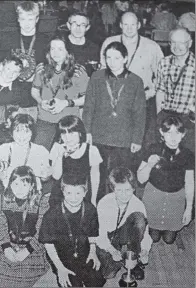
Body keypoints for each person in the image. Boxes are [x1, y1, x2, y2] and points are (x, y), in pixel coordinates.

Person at [83, 41, 146, 198]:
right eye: (108, 57)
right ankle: (96, 207)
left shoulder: (136, 81)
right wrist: (87, 131)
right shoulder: (96, 77)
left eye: (117, 58)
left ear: (125, 58)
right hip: (99, 135)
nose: (112, 62)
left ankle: (120, 208)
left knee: (121, 177)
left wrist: (137, 139)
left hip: (123, 137)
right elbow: (88, 106)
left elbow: (140, 113)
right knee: (98, 175)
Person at [100, 12, 163, 148]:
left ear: (139, 25)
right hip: (115, 102)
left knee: (140, 142)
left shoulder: (152, 46)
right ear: (120, 25)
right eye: (126, 24)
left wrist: (151, 92)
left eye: (133, 25)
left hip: (143, 99)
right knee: (115, 142)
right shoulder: (109, 42)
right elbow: (102, 72)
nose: (129, 28)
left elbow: (161, 76)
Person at [39, 173, 106, 287]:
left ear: (85, 192)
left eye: (78, 193)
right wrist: (60, 268)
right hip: (60, 255)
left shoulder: (90, 209)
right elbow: (48, 245)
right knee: (73, 285)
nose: (74, 198)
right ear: (63, 192)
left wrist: (93, 252)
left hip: (83, 250)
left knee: (96, 281)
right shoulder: (52, 214)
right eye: (69, 193)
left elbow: (92, 233)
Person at [137, 116, 194, 245]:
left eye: (177, 133)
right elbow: (140, 179)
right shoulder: (152, 149)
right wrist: (149, 165)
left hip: (176, 199)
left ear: (183, 134)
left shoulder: (188, 155)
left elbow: (190, 182)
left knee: (169, 240)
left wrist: (189, 208)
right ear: (162, 133)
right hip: (154, 196)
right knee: (154, 238)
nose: (173, 137)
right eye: (169, 132)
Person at [0, 166, 50, 288]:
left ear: (32, 186)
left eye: (24, 185)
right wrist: (6, 247)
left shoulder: (41, 202)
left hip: (32, 247)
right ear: (10, 184)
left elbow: (42, 231)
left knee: (22, 278)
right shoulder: (3, 199)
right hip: (8, 243)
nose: (19, 189)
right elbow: (0, 225)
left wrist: (27, 250)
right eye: (16, 184)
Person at [31, 33, 89, 151]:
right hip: (45, 120)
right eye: (52, 49)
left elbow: (87, 98)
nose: (55, 53)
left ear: (68, 52)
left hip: (69, 123)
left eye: (60, 49)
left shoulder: (78, 71)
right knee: (39, 155)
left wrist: (66, 103)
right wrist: (40, 101)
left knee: (66, 159)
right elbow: (34, 90)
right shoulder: (42, 68)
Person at [96, 167, 152, 280]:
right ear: (113, 189)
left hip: (127, 235)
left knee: (139, 219)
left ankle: (134, 259)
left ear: (133, 189)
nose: (124, 195)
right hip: (108, 238)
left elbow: (145, 233)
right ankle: (124, 259)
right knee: (109, 274)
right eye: (119, 190)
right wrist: (111, 250)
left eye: (128, 190)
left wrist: (145, 251)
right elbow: (99, 234)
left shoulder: (138, 204)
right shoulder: (104, 203)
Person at [0, 1, 50, 121]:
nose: (27, 23)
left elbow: (50, 69)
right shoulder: (8, 39)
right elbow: (0, 65)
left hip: (35, 97)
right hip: (12, 97)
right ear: (18, 19)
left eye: (30, 19)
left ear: (37, 19)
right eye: (23, 19)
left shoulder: (45, 41)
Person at [155, 28, 195, 154]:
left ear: (190, 43)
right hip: (166, 117)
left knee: (187, 159)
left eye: (181, 43)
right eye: (173, 43)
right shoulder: (164, 63)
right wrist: (159, 115)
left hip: (187, 121)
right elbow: (160, 90)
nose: (177, 47)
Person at [50, 115, 102, 207]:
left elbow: (95, 177)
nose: (67, 138)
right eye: (63, 133)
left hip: (82, 194)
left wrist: (93, 199)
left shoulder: (92, 150)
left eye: (71, 133)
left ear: (80, 133)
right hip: (60, 195)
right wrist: (59, 156)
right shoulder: (57, 147)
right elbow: (56, 176)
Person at [0, 113, 51, 190]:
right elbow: (2, 177)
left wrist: (46, 175)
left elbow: (45, 179)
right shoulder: (3, 149)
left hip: (32, 192)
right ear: (11, 132)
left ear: (32, 133)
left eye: (26, 132)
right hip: (9, 192)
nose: (22, 136)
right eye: (17, 131)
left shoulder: (41, 151)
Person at [66, 11, 100, 77]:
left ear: (87, 28)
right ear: (68, 25)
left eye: (82, 25)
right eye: (74, 24)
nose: (78, 28)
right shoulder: (60, 45)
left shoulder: (93, 48)